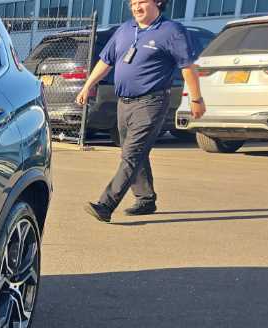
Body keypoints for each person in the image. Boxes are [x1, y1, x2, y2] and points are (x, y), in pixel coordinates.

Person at [76, 0, 205, 221]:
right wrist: (88, 86)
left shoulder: (171, 31)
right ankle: (146, 198)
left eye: (141, 2)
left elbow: (187, 67)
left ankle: (106, 205)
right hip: (124, 103)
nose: (136, 7)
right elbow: (106, 61)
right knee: (133, 151)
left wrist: (196, 99)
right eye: (132, 3)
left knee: (132, 154)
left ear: (158, 2)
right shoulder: (125, 29)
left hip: (151, 102)